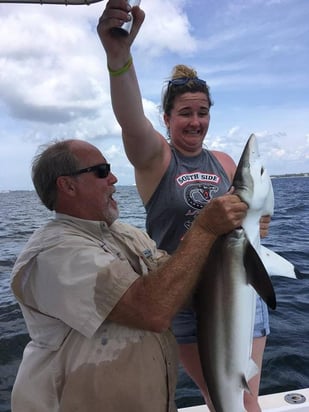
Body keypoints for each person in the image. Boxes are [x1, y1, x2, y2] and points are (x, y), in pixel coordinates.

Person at [97, 2, 271, 411]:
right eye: (185, 113)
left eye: (203, 112)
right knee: (222, 398)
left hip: (242, 289)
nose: (195, 121)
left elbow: (254, 218)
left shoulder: (226, 163)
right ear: (167, 118)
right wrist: (119, 59)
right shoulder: (156, 159)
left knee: (248, 397)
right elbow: (129, 120)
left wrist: (260, 224)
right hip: (188, 301)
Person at [10, 139, 247, 412]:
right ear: (68, 185)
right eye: (101, 170)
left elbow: (178, 291)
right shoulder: (53, 253)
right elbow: (152, 310)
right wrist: (204, 229)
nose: (113, 178)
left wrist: (235, 233)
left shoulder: (127, 234)